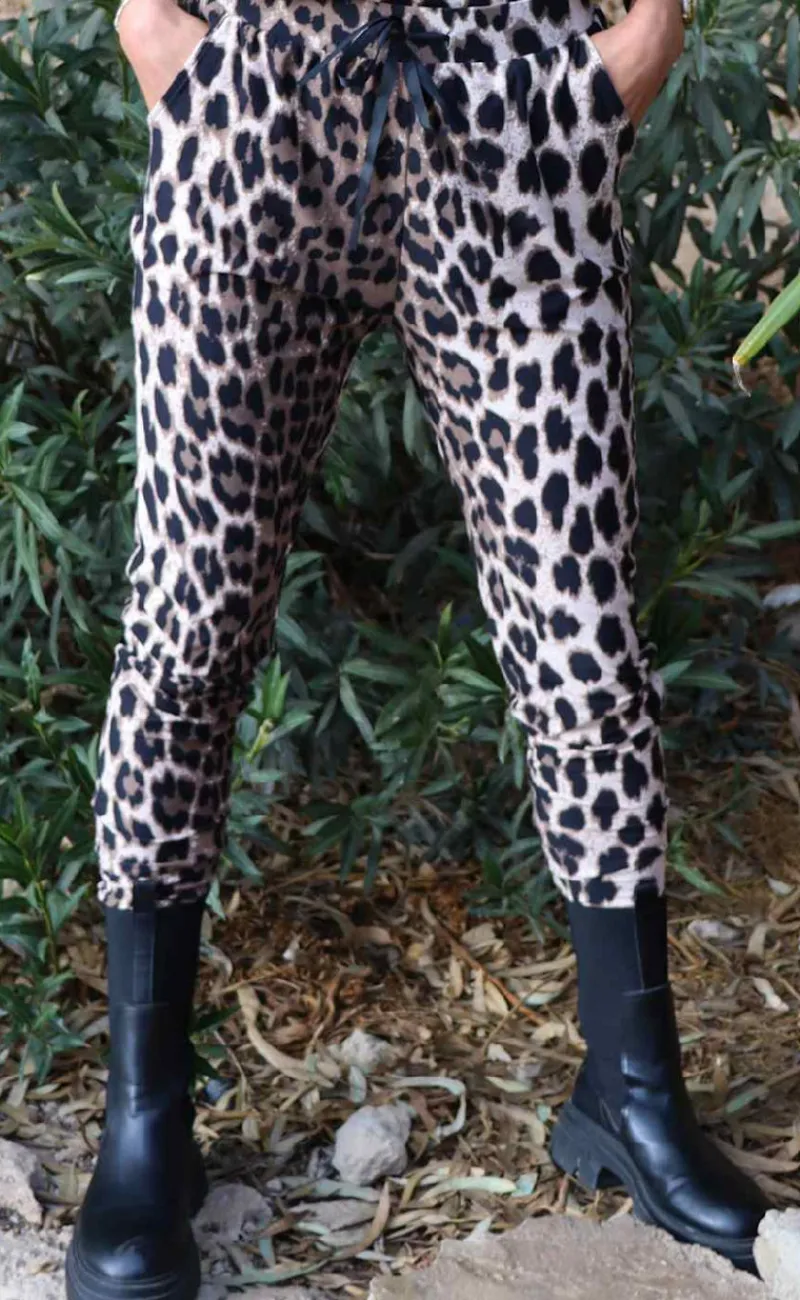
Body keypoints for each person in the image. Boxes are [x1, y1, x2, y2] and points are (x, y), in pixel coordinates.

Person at [65, 1, 773, 1297]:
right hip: (257, 101)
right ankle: (144, 1118)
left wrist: (644, 38)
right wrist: (157, 29)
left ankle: (633, 1091)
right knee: (186, 634)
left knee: (585, 637)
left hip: (515, 103)